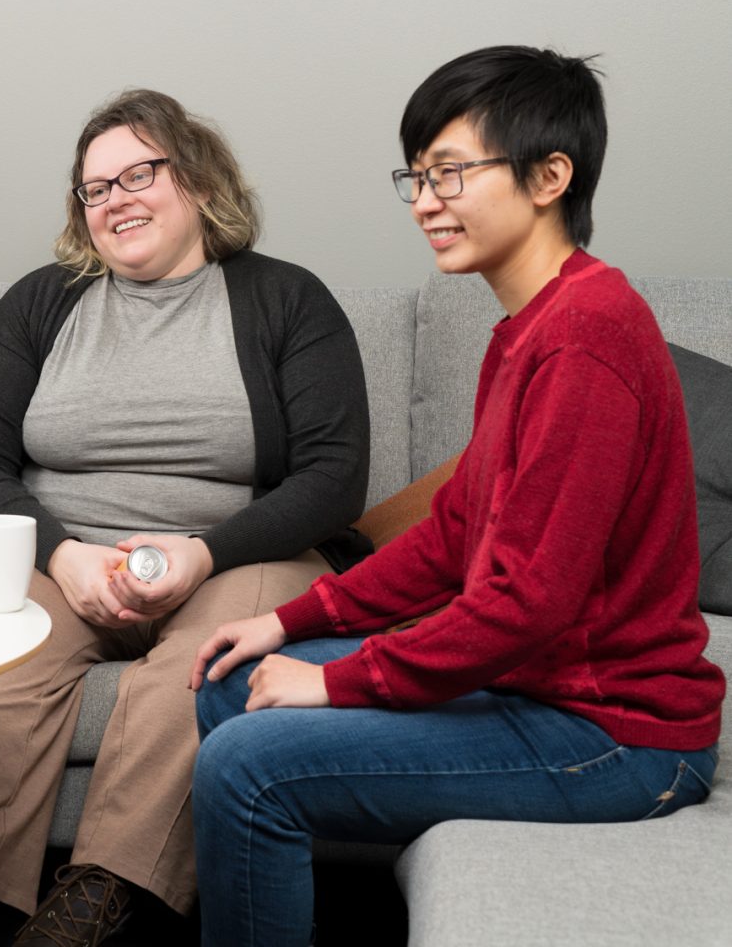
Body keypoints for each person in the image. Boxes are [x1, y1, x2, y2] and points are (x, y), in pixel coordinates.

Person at [190, 46, 725, 947]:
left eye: (450, 174)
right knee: (231, 685)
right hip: (540, 693)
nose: (426, 203)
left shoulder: (587, 338)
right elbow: (453, 537)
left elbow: (526, 601)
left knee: (246, 764)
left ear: (549, 176)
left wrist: (337, 680)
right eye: (417, 176)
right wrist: (294, 622)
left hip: (619, 739)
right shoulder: (529, 328)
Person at [0, 89, 371, 946]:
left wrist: (202, 554)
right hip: (68, 560)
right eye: (94, 188)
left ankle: (92, 905)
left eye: (139, 173)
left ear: (196, 180)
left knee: (205, 667)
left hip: (237, 557)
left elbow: (335, 478)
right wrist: (66, 555)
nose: (115, 199)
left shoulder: (286, 300)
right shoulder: (41, 303)